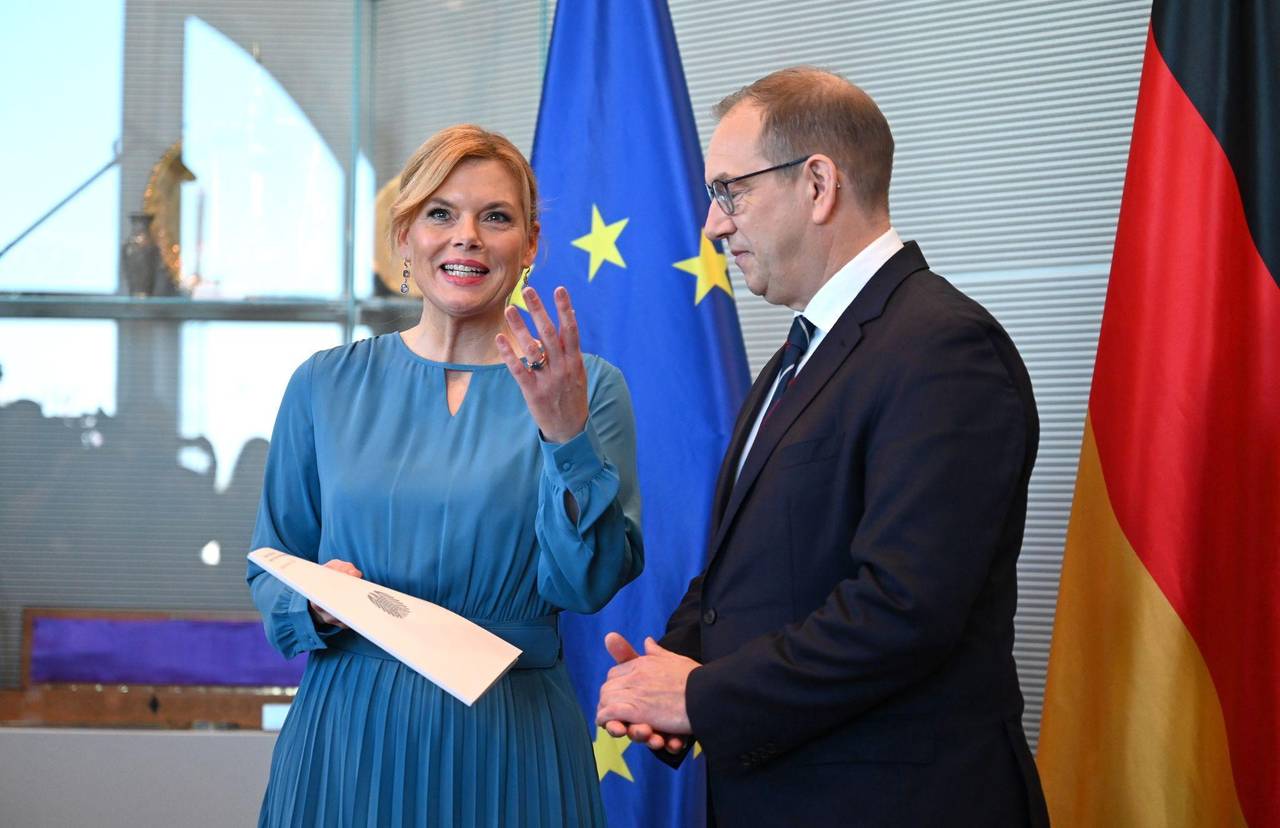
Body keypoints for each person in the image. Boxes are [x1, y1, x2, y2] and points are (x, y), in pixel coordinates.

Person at [596, 67, 1049, 827]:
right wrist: (670, 667)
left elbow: (903, 608)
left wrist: (701, 696)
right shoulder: (801, 352)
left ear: (817, 184)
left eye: (729, 191)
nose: (712, 225)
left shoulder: (943, 346)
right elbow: (757, 568)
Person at [247, 124, 643, 827]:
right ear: (404, 236)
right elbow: (272, 564)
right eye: (441, 213)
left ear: (530, 245)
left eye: (496, 217)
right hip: (349, 739)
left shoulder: (587, 386)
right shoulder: (323, 384)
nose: (467, 237)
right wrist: (314, 602)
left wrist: (566, 436)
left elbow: (586, 584)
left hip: (513, 737)